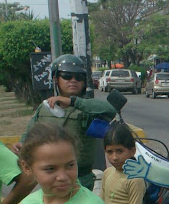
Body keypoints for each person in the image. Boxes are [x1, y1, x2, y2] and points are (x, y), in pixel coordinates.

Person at [14, 54, 117, 190]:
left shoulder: (88, 107)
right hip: (50, 179)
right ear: (56, 79)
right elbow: (30, 133)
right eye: (67, 76)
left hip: (81, 179)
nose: (73, 81)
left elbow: (110, 110)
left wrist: (73, 102)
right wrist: (21, 144)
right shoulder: (45, 107)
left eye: (78, 77)